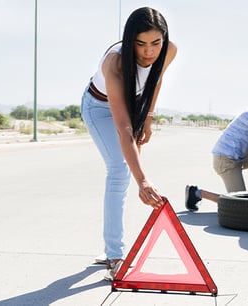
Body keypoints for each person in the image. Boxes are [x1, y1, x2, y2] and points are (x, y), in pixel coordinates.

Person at [81, 7, 177, 281]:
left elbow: (156, 79)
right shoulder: (115, 63)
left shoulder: (169, 50)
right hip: (98, 106)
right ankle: (114, 256)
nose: (149, 51)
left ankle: (111, 247)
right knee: (120, 171)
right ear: (129, 39)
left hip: (135, 104)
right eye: (141, 44)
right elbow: (123, 128)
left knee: (124, 173)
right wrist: (143, 181)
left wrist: (148, 117)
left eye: (155, 43)